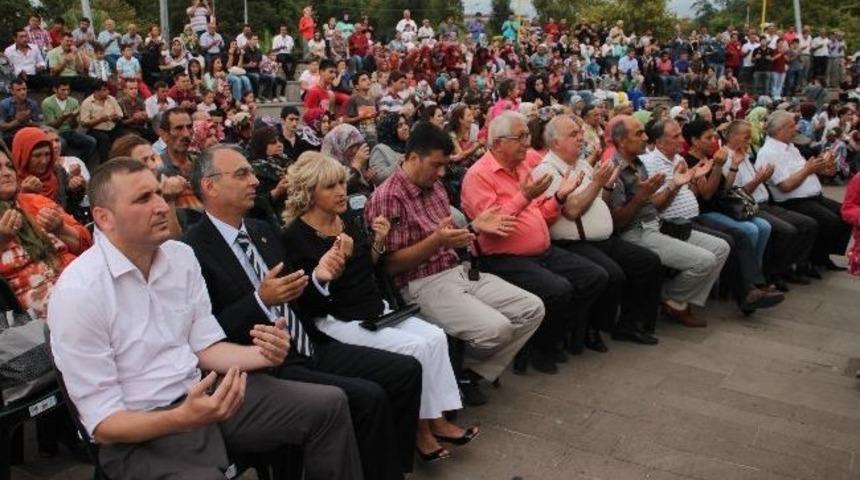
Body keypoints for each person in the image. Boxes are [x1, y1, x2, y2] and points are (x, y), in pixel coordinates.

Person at [49, 157, 363, 479]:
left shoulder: (181, 257)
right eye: (143, 199)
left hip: (203, 397)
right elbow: (103, 425)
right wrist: (183, 417)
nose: (160, 206)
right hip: (140, 431)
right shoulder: (79, 291)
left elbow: (205, 345)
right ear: (104, 218)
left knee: (330, 404)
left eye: (159, 193)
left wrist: (264, 354)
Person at [183, 144, 422, 480]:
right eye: (242, 174)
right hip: (266, 362)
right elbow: (209, 332)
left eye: (251, 172)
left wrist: (320, 277)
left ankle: (387, 467)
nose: (254, 180)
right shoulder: (193, 250)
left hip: (309, 343)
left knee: (405, 370)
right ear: (210, 185)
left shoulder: (261, 230)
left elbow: (297, 295)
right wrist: (259, 299)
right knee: (367, 397)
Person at [282, 151, 478, 462]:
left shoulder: (345, 219)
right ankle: (420, 431)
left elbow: (369, 266)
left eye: (342, 184)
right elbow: (309, 301)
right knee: (415, 347)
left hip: (375, 308)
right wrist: (333, 267)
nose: (341, 191)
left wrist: (377, 243)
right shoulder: (295, 237)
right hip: (339, 320)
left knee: (436, 338)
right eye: (330, 186)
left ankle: (436, 417)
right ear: (309, 192)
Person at [365, 121, 544, 404]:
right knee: (496, 329)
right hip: (420, 283)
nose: (441, 173)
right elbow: (389, 266)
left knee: (531, 308)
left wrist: (473, 227)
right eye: (436, 165)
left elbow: (448, 237)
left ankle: (466, 372)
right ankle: (455, 373)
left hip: (456, 271)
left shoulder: (434, 186)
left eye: (444, 166)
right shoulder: (388, 197)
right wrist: (438, 240)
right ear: (413, 158)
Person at [460, 111, 608, 371]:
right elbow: (494, 227)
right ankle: (538, 348)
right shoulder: (478, 176)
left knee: (594, 276)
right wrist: (524, 197)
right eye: (520, 137)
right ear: (497, 143)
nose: (527, 143)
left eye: (527, 135)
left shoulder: (522, 167)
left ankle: (557, 336)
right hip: (502, 258)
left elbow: (540, 211)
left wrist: (559, 197)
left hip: (541, 251)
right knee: (559, 289)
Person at [532, 115, 662, 346]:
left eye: (580, 132)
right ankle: (591, 328)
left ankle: (630, 324)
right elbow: (571, 210)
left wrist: (607, 185)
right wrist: (596, 183)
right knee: (612, 275)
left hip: (603, 237)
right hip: (574, 242)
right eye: (573, 134)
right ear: (555, 142)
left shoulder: (582, 164)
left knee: (648, 261)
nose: (581, 138)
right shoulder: (546, 170)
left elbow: (599, 200)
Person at [605, 115, 729, 327]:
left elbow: (653, 205)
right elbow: (617, 223)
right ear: (622, 141)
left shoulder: (638, 163)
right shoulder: (614, 169)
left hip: (657, 225)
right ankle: (670, 299)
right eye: (639, 133)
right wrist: (641, 197)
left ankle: (673, 300)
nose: (646, 138)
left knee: (721, 247)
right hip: (637, 233)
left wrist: (675, 184)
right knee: (704, 261)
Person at [722, 119, 818, 288]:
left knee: (807, 223)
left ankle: (791, 267)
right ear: (732, 136)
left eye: (749, 137)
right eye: (745, 137)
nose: (749, 141)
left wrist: (762, 179)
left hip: (765, 203)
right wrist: (759, 180)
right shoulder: (726, 158)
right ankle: (773, 273)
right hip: (749, 207)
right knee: (787, 230)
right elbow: (735, 195)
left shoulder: (744, 155)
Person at [0, 146, 91, 319]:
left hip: (81, 284)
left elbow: (85, 245)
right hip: (41, 320)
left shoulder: (33, 202)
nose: (7, 173)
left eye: (9, 166)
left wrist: (60, 229)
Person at [757, 110, 851, 273]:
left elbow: (804, 169)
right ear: (780, 130)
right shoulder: (769, 153)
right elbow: (785, 186)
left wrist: (822, 168)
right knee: (830, 221)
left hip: (812, 196)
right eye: (792, 126)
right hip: (793, 200)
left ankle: (822, 256)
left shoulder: (790, 147)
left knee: (846, 214)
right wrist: (808, 169)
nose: (796, 130)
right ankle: (812, 260)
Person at [79, 80, 123, 168]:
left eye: (107, 89)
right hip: (95, 130)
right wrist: (101, 119)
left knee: (123, 135)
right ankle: (105, 165)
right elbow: (84, 123)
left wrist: (115, 117)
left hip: (112, 126)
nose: (108, 92)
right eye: (104, 90)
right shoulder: (87, 103)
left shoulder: (111, 99)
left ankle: (121, 162)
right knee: (104, 139)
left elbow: (120, 114)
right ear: (96, 91)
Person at [369, 113, 408, 186]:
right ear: (390, 130)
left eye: (405, 123)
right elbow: (378, 178)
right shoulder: (380, 149)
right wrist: (400, 164)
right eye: (400, 126)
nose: (405, 127)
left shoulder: (410, 145)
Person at [1, 79, 42, 147]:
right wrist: (18, 121)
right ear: (12, 91)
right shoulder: (4, 104)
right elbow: (2, 127)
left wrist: (28, 122)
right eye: (19, 90)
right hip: (10, 134)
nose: (23, 92)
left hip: (28, 132)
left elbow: (37, 124)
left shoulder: (32, 104)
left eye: (24, 89)